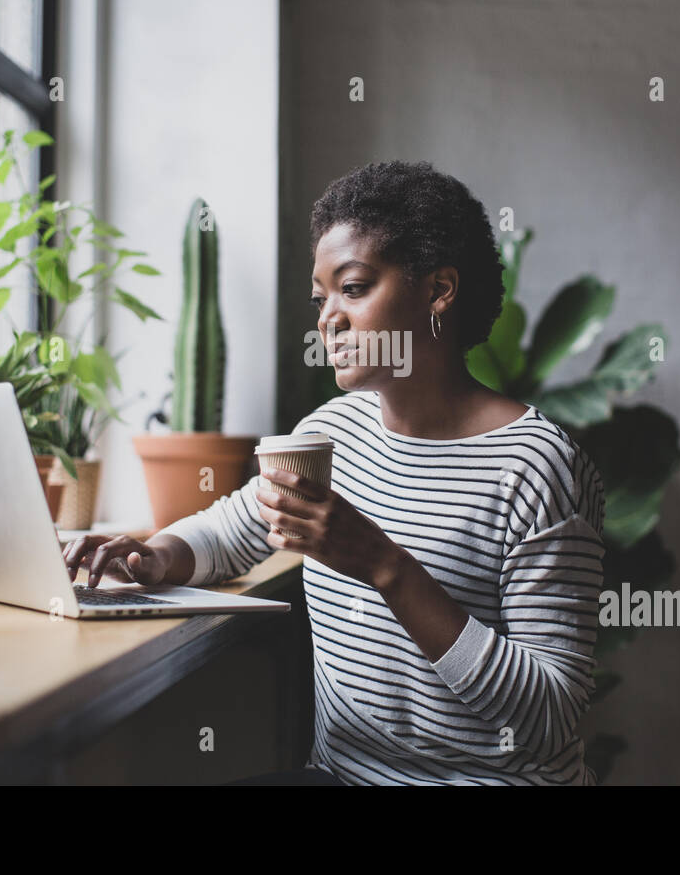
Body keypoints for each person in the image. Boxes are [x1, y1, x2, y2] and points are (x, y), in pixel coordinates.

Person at [64, 160, 606, 785]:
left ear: (439, 290)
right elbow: (230, 531)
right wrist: (153, 556)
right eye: (321, 299)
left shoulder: (538, 465)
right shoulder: (334, 434)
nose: (328, 319)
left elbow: (548, 716)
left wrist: (385, 566)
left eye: (353, 289)